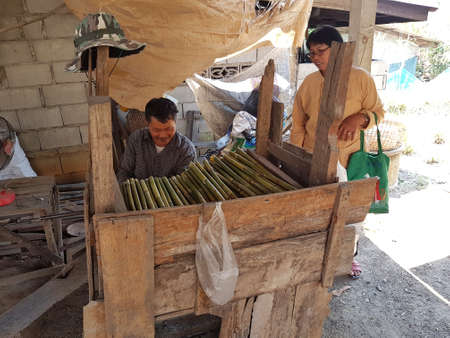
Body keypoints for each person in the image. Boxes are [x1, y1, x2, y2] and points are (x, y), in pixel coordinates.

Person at [290, 26, 385, 278]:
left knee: (349, 213)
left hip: (349, 158)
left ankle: (347, 255)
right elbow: (298, 124)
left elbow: (378, 112)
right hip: (314, 157)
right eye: (311, 53)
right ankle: (317, 259)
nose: (316, 57)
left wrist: (360, 119)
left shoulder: (362, 79)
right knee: (318, 212)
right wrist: (297, 157)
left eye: (321, 51)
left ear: (339, 50)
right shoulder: (309, 84)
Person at [117, 97, 196, 181]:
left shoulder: (186, 149)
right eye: (156, 130)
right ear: (148, 124)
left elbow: (184, 183)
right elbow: (124, 172)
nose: (162, 135)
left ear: (175, 123)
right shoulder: (136, 139)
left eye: (168, 129)